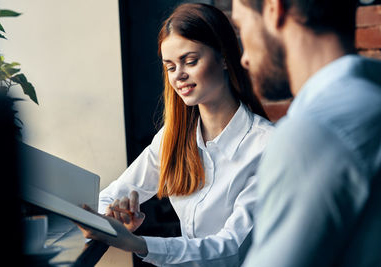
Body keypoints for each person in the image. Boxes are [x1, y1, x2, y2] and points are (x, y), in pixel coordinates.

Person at [77, 3, 273, 266]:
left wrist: (136, 243)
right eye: (170, 67)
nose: (179, 75)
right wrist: (110, 218)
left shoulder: (267, 145)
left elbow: (231, 248)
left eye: (190, 61)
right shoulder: (174, 137)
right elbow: (108, 196)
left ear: (224, 58)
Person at [231, 0, 381, 266]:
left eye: (242, 26)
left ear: (274, 10)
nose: (244, 58)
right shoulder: (370, 99)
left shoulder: (313, 133)